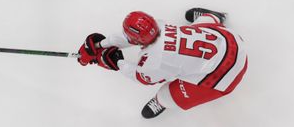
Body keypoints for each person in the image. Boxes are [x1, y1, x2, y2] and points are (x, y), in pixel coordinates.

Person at [77, 8, 247, 119]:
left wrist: (117, 62)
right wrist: (100, 45)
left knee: (169, 94)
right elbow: (131, 37)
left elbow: (141, 77)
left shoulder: (154, 62)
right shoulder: (158, 25)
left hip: (227, 73)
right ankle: (215, 18)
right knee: (200, 27)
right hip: (230, 40)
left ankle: (162, 101)